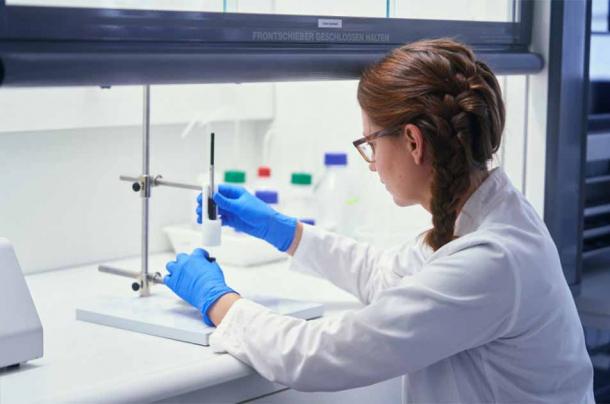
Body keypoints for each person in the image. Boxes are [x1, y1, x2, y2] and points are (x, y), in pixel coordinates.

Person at [164, 38, 594, 403]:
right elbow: (384, 274)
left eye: (370, 143)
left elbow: (321, 355)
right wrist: (284, 232)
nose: (371, 165)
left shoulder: (492, 258)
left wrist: (219, 301)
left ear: (412, 141)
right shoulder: (487, 214)